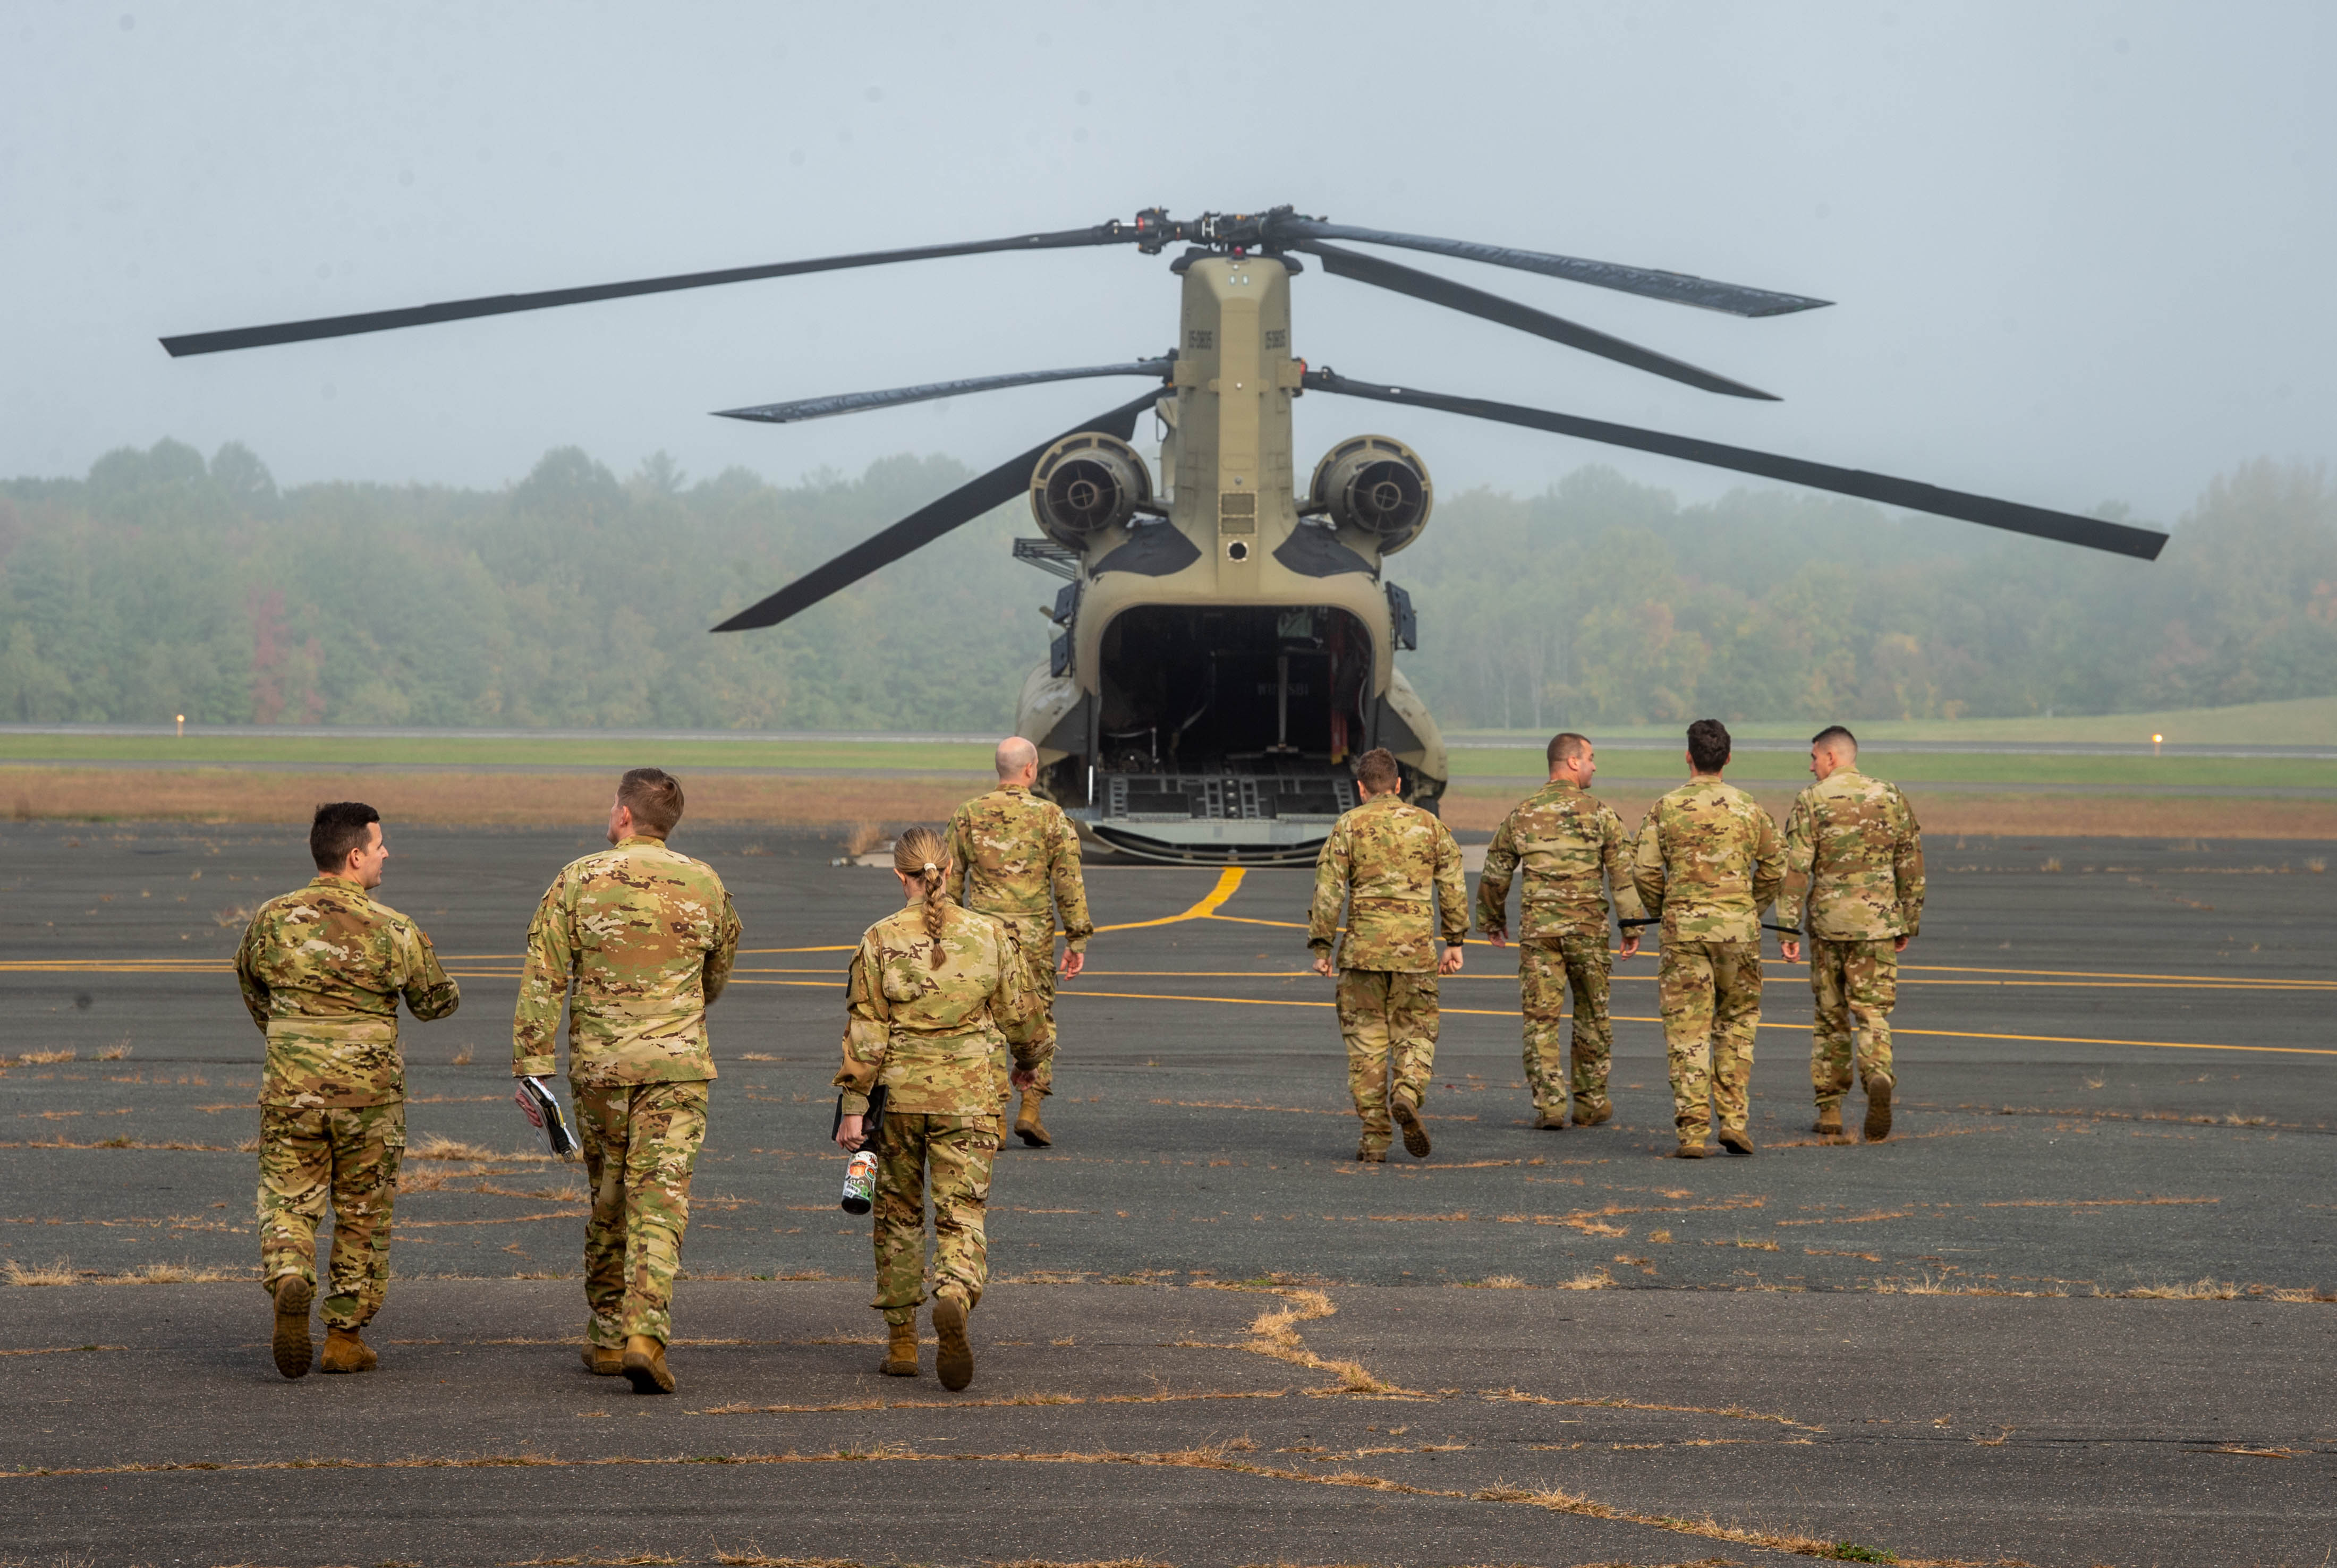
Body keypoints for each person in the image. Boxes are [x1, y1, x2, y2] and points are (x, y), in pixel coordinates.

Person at [513, 768, 740, 1396]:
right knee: (660, 1202)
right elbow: (716, 971)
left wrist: (532, 1067)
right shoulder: (705, 882)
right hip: (677, 1067)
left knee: (609, 1196)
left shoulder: (579, 879)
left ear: (623, 816)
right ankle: (645, 1333)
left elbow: (544, 978)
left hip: (602, 1071)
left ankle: (609, 1332)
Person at [236, 802, 460, 1380]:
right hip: (369, 1098)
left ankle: (290, 1274)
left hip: (291, 1089)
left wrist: (295, 1041)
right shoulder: (394, 927)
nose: (388, 854)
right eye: (380, 845)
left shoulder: (270, 918)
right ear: (355, 855)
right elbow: (435, 1004)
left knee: (288, 1199)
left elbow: (252, 986)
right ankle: (344, 1337)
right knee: (363, 1212)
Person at [834, 826, 1043, 1391]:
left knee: (898, 1217)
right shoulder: (990, 935)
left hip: (897, 1101)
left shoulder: (878, 939)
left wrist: (854, 1106)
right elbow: (1022, 1015)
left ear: (900, 877)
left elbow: (866, 1032)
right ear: (948, 872)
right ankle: (953, 1294)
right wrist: (1028, 1062)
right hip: (970, 1099)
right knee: (962, 1214)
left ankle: (902, 1343)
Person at [1476, 732, 1647, 1131]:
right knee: (1592, 1015)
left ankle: (1549, 1105)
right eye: (1590, 758)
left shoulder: (1522, 814)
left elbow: (1495, 871)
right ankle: (1589, 1103)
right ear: (1571, 762)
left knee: (1540, 1019)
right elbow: (1623, 874)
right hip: (1586, 931)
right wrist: (1631, 924)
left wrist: (1492, 921)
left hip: (1539, 934)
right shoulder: (1600, 814)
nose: (1594, 765)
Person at [1632, 720, 1784, 1159]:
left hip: (1684, 930)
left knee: (1687, 1030)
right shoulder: (1749, 808)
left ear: (1688, 757)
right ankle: (1734, 1121)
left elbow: (1643, 870)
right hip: (1737, 930)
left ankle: (1692, 1130)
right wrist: (1749, 909)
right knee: (1736, 1023)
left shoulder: (1666, 807)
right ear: (1728, 759)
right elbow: (1775, 866)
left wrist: (1666, 910)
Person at [1308, 747, 1467, 1162]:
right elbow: (1452, 883)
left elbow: (1328, 889)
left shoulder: (1348, 825)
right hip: (1415, 954)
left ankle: (1375, 1140)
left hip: (1362, 954)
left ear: (1361, 789)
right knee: (1415, 1033)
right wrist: (1454, 942)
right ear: (1399, 785)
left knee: (1366, 1047)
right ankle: (1407, 1090)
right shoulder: (1429, 824)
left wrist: (1322, 946)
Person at [1777, 726, 1926, 1143]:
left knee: (1829, 1017)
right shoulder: (1890, 796)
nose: (1810, 767)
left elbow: (1795, 867)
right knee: (1872, 1012)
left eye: (1813, 759)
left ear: (1831, 757)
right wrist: (1906, 920)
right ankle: (1877, 1074)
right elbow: (1909, 862)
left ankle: (1829, 1109)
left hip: (1828, 926)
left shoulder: (1811, 800)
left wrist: (1786, 925)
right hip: (1877, 924)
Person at [944, 736, 1091, 1148]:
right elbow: (1068, 883)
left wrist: (947, 937)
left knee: (985, 1024)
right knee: (1037, 1019)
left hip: (983, 938)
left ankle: (993, 1115)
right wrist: (1077, 938)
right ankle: (1031, 1107)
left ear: (1000, 770)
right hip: (1033, 939)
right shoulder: (1050, 817)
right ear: (1031, 769)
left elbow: (949, 883)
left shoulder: (968, 814)